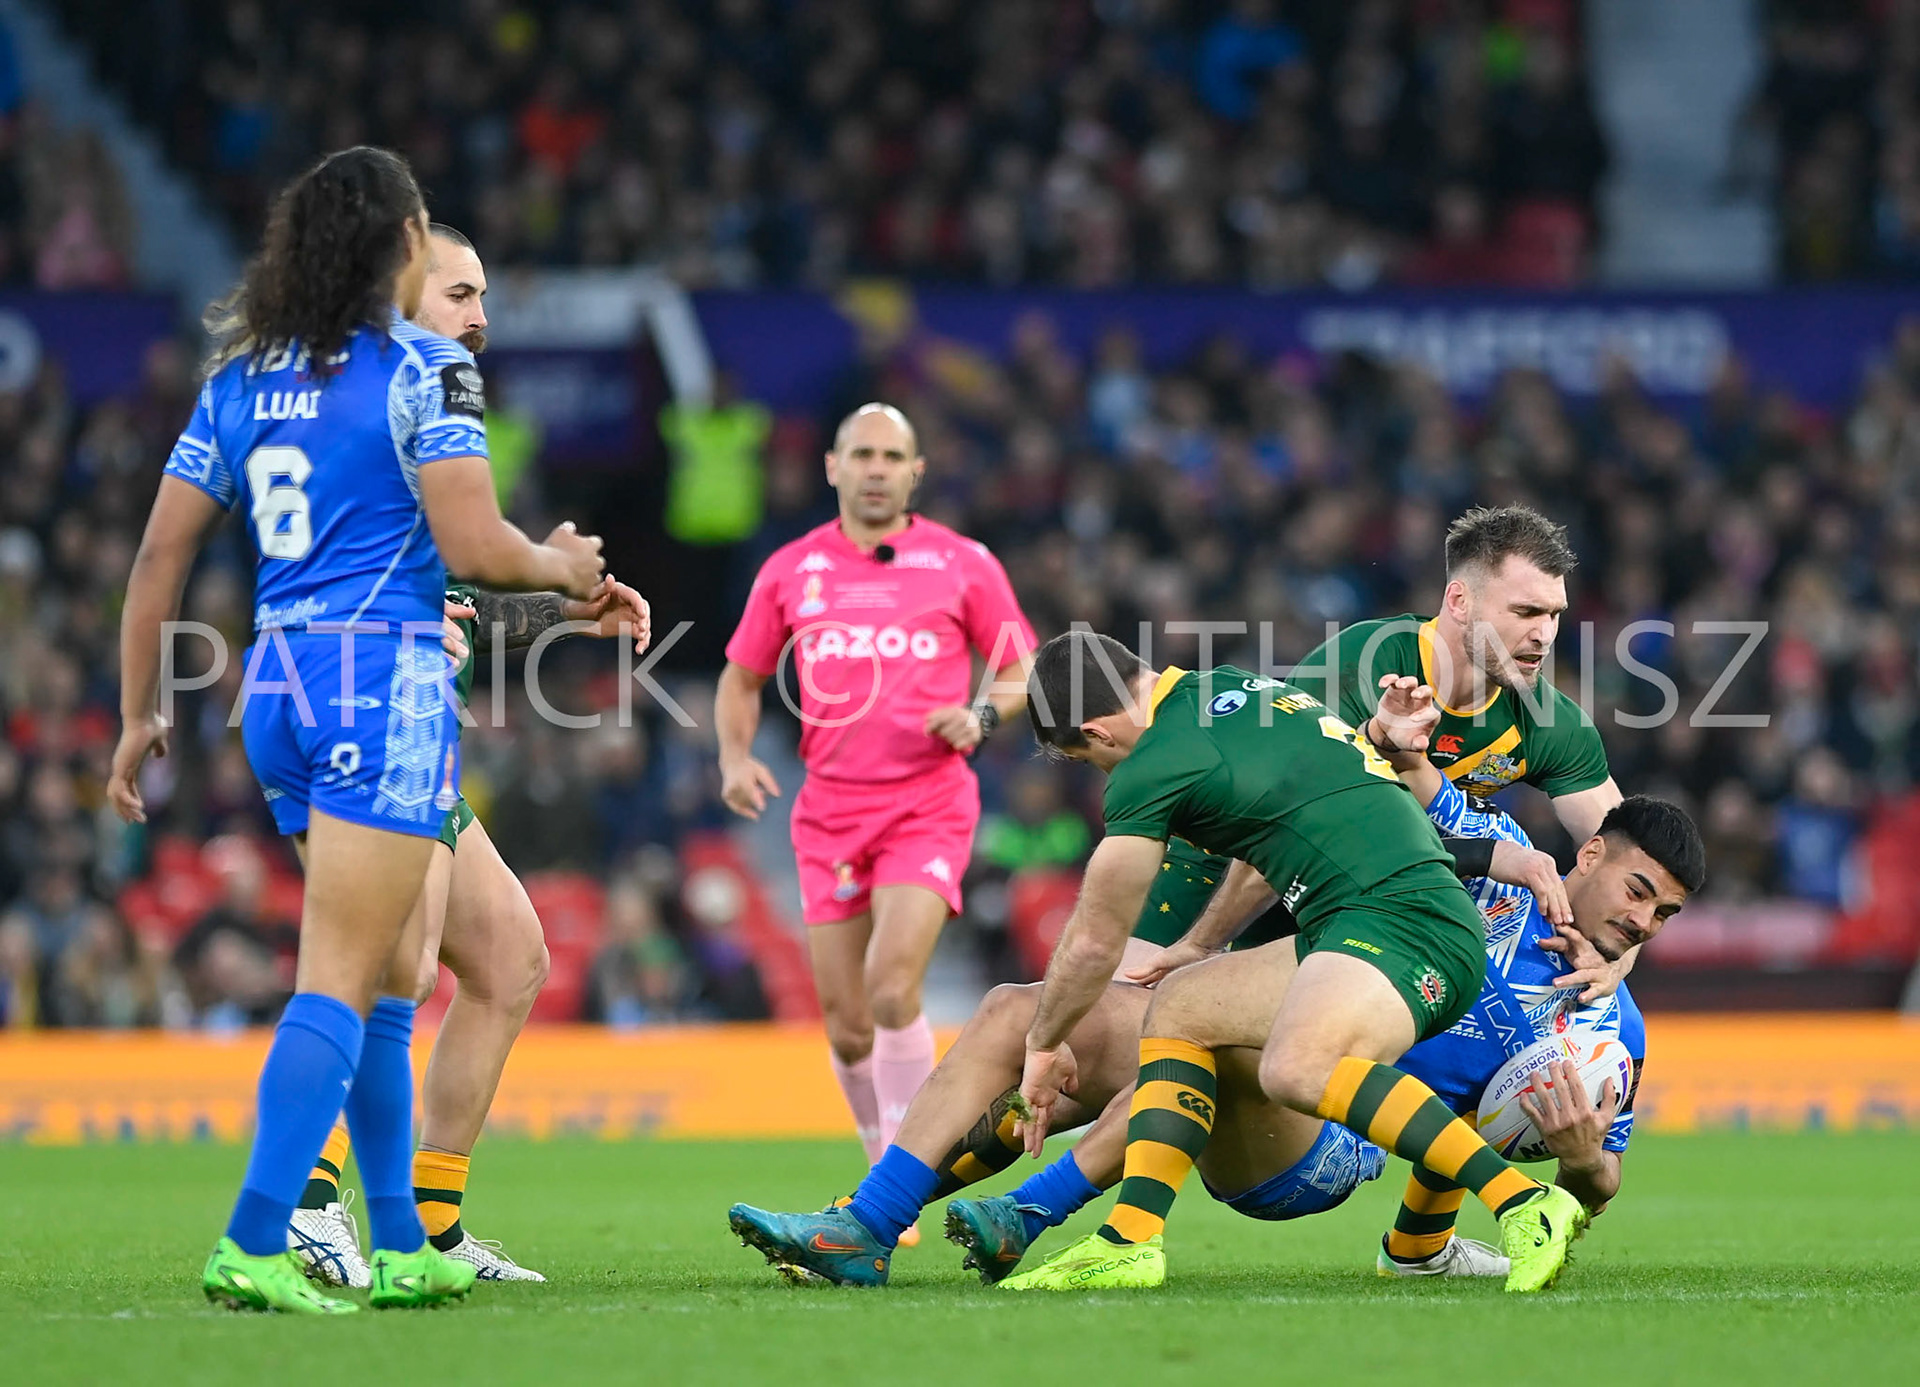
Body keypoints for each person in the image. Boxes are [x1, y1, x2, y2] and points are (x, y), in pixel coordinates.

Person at [108, 146, 604, 1315]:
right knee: (340, 980)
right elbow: (479, 546)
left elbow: (157, 558)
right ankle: (255, 1237)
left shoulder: (240, 377)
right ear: (395, 246)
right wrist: (562, 566)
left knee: (393, 975)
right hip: (378, 682)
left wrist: (138, 712)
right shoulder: (420, 369)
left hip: (274, 682)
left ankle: (403, 1244)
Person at [725, 765, 1702, 1292]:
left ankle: (1047, 1210)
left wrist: (1579, 1164)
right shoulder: (1506, 860)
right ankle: (864, 1223)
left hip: (1318, 1145)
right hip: (1267, 1034)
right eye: (1638, 890)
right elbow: (1401, 779)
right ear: (1592, 850)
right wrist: (1403, 734)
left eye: (1661, 916)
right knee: (1018, 1015)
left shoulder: (1604, 1027)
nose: (1641, 921)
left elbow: (1605, 1175)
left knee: (1227, 1027)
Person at [289, 222, 650, 1288]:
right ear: (400, 293)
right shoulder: (381, 402)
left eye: (485, 294)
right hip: (358, 716)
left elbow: (454, 603)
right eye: (460, 292)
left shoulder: (420, 401)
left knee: (508, 959)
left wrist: (554, 615)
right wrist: (551, 570)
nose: (480, 316)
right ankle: (313, 1202)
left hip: (411, 726)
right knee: (386, 967)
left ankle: (427, 1222)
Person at [1004, 632, 1585, 1293]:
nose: (1105, 773)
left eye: (1091, 760)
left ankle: (1524, 1203)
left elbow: (1093, 940)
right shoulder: (1238, 691)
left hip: (1400, 918)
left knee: (1296, 1069)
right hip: (1387, 911)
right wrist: (1199, 943)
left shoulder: (1152, 763)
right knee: (1182, 1005)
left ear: (1095, 730)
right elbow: (1276, 834)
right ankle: (1128, 1240)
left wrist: (1045, 1041)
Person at [714, 403, 1037, 1241]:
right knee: (848, 1018)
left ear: (915, 471)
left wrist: (981, 718)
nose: (877, 468)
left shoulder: (962, 562)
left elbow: (1018, 666)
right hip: (828, 810)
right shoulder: (791, 569)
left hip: (928, 800)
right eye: (862, 453)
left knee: (895, 985)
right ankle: (878, 1157)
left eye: (894, 455)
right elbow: (741, 677)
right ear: (832, 466)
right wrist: (734, 757)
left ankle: (895, 1187)